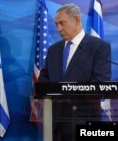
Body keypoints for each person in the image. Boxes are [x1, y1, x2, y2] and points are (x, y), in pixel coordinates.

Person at [38, 3, 111, 141]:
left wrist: (67, 92)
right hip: (55, 124)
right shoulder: (53, 49)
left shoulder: (99, 47)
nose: (59, 29)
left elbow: (100, 83)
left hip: (83, 121)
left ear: (77, 20)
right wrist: (54, 92)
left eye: (62, 23)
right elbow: (44, 77)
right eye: (56, 24)